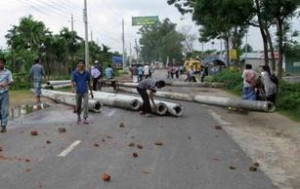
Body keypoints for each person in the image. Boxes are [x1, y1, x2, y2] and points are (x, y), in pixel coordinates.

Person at [71, 60, 94, 124]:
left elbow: (89, 83)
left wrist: (91, 92)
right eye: (80, 63)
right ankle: (78, 116)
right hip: (78, 91)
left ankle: (85, 118)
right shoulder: (74, 73)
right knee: (78, 105)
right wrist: (73, 88)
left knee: (86, 105)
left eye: (82, 64)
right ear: (78, 65)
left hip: (85, 91)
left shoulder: (87, 73)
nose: (81, 65)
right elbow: (72, 81)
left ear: (84, 65)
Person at [0, 58, 13, 133]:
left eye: (1, 63)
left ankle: (3, 126)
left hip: (4, 93)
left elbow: (11, 81)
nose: (0, 64)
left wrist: (5, 84)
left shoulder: (8, 72)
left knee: (4, 110)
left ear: (4, 64)